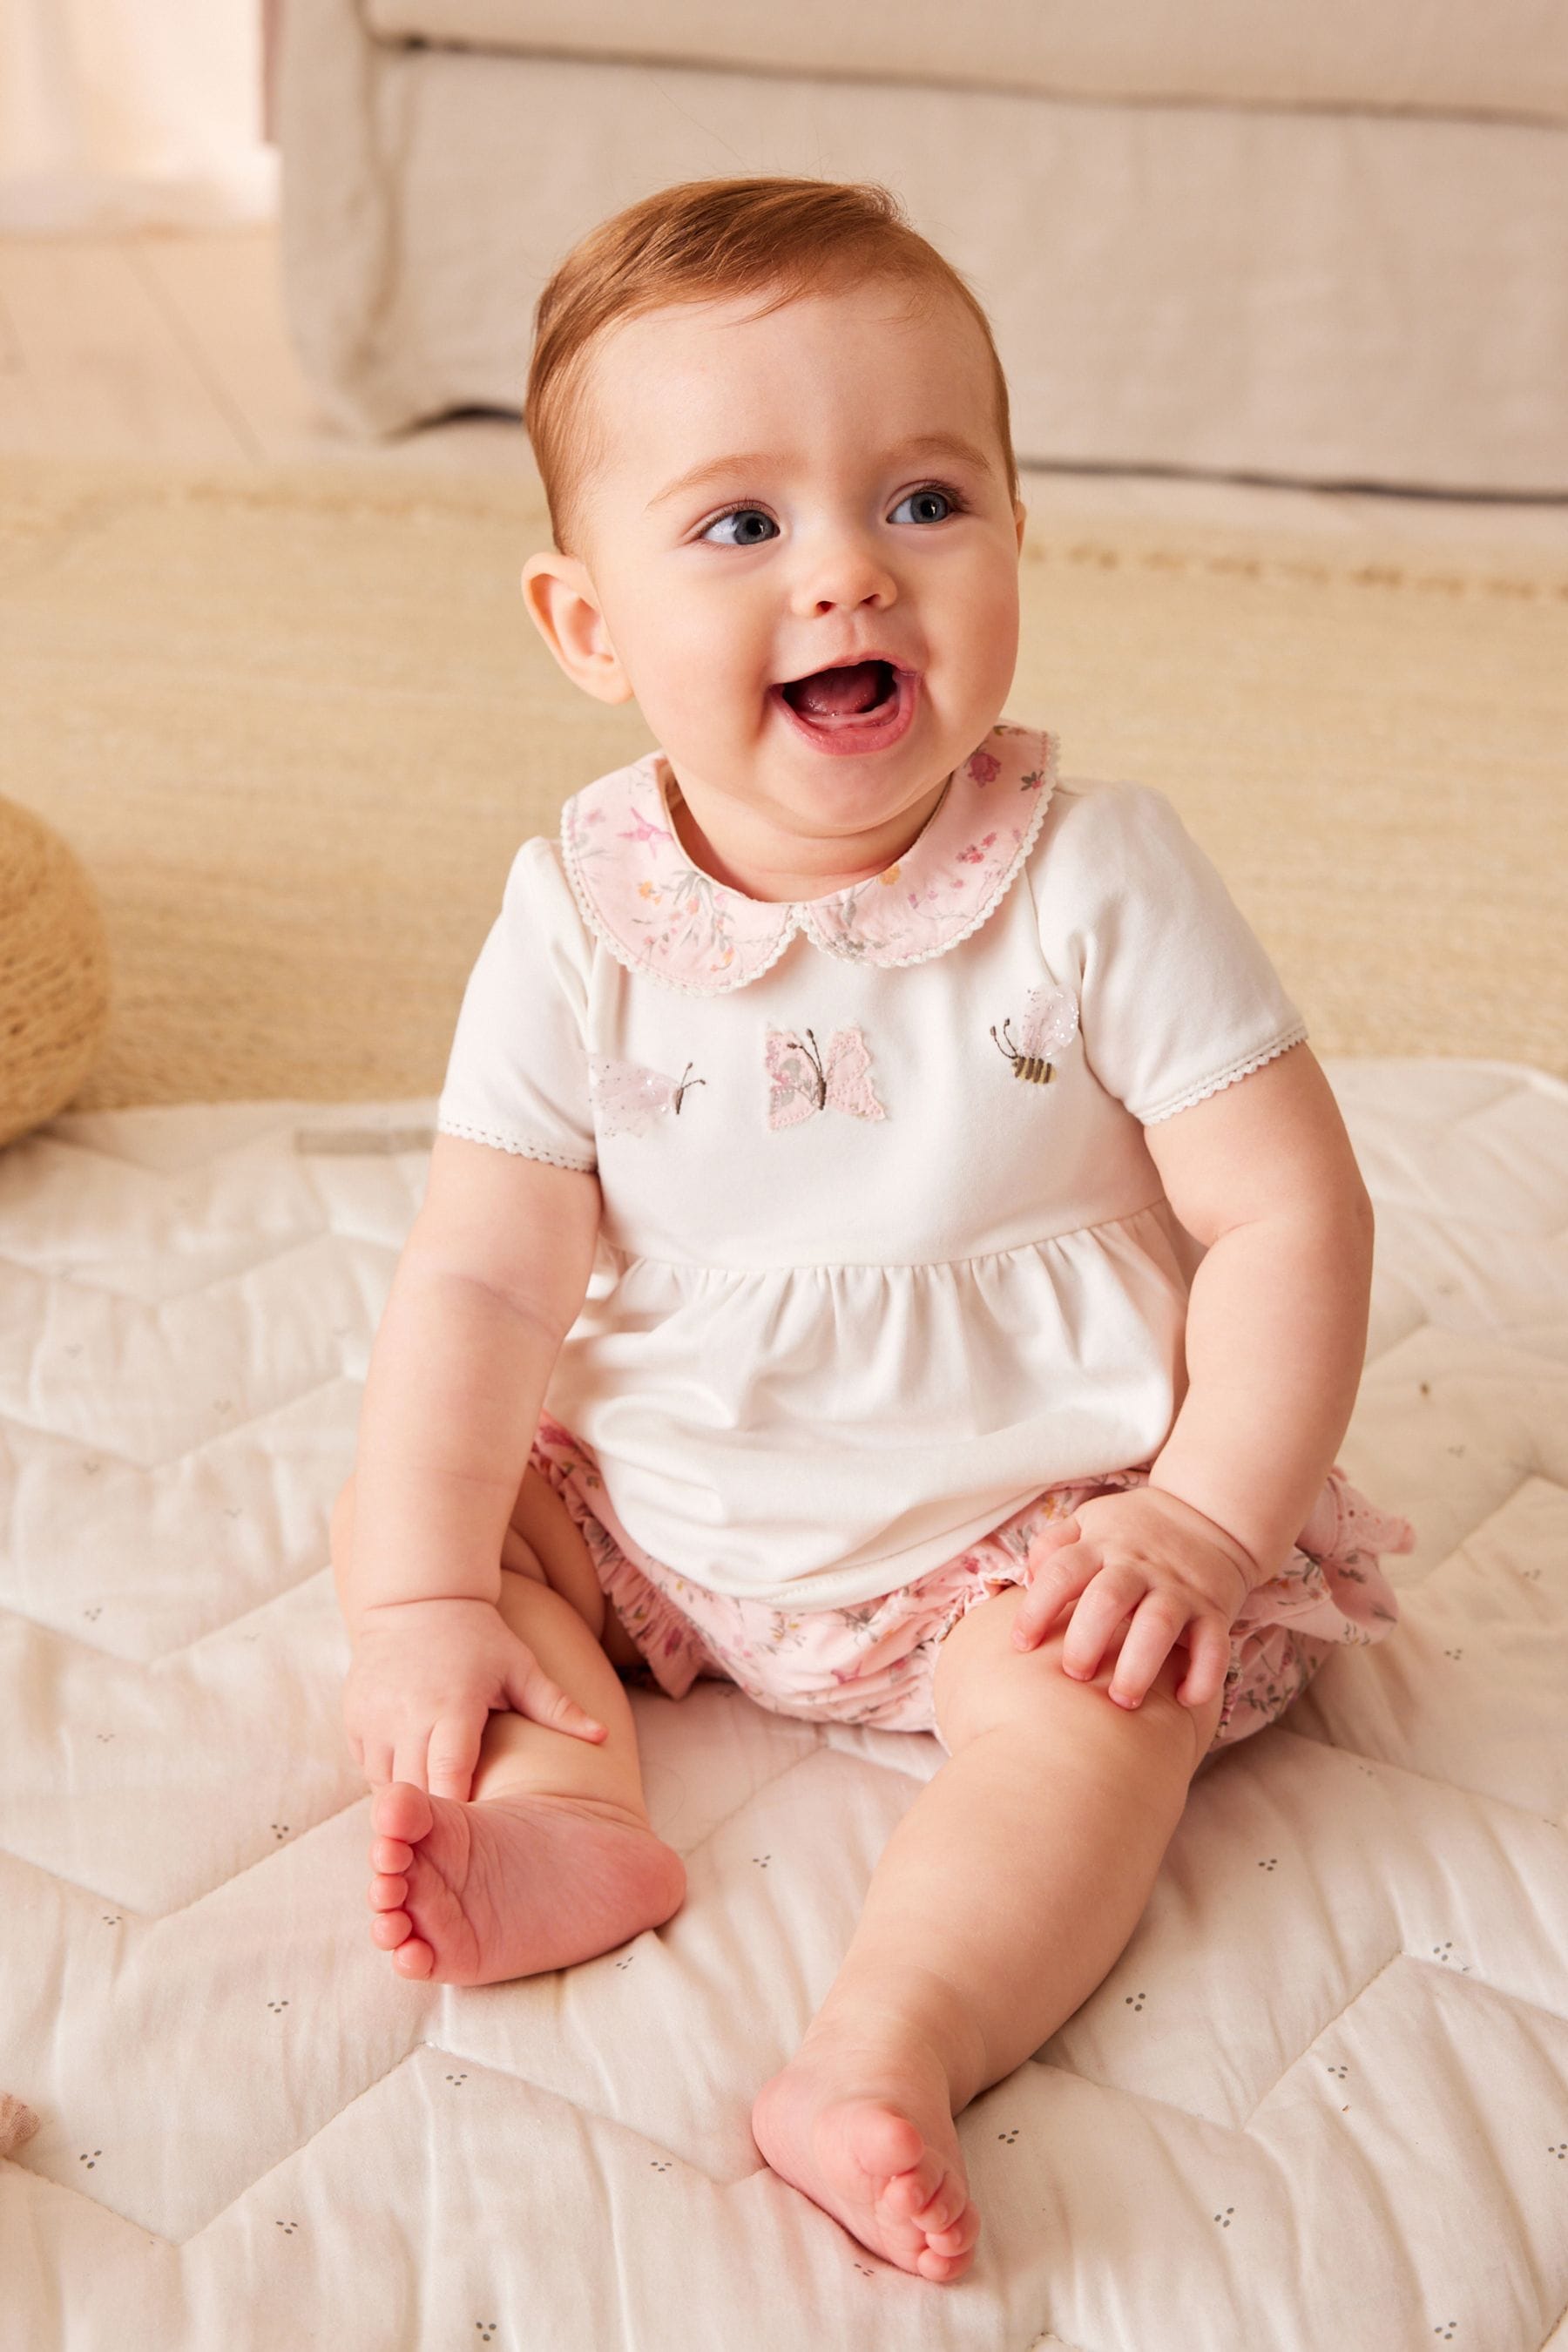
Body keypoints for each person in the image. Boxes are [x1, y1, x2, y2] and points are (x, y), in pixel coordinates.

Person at [329, 175, 1415, 2286]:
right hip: (668, 1502)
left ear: (1018, 532)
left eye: (925, 499)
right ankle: (569, 1816)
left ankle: (884, 2043)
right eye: (741, 528)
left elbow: (1293, 1213)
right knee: (439, 1527)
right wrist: (418, 1596)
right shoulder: (576, 915)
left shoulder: (1099, 878)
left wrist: (1200, 1515)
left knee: (1103, 1708)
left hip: (1024, 1516)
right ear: (587, 627)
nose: (848, 572)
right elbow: (479, 1275)